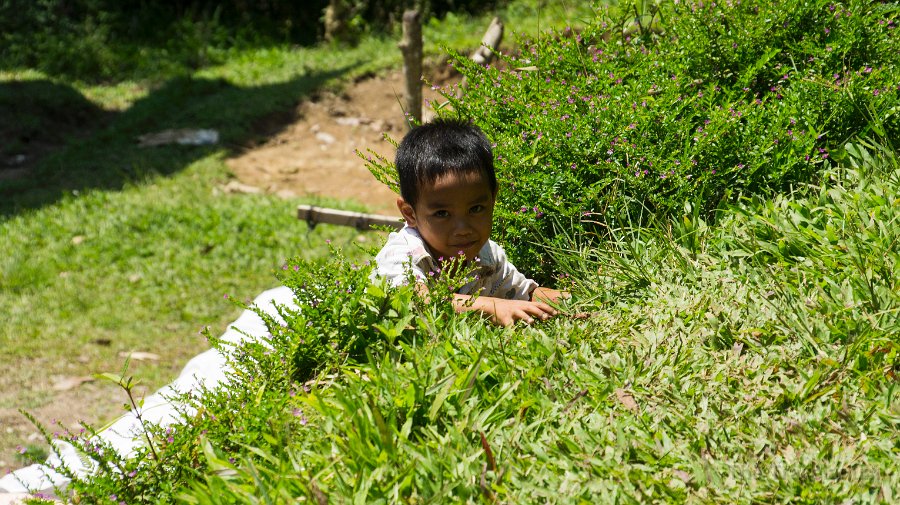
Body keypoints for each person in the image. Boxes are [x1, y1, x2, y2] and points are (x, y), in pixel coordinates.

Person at [372, 118, 566, 326]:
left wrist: (568, 301)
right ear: (410, 214)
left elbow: (526, 294)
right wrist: (491, 307)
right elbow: (417, 302)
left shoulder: (487, 255)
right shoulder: (402, 256)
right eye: (442, 214)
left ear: (493, 198)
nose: (463, 229)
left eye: (476, 209)